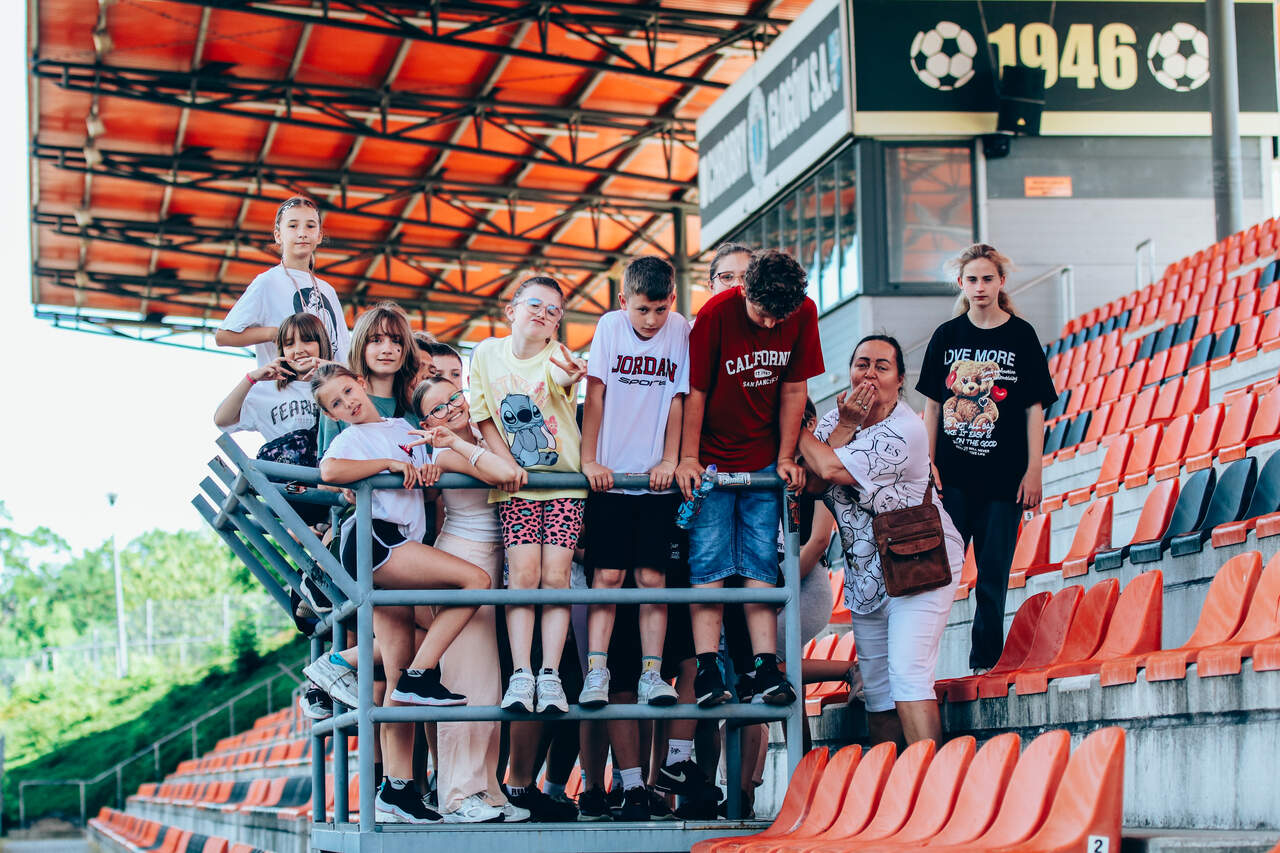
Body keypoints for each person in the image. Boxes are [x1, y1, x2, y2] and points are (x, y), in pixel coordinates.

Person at [304, 363, 491, 824]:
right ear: (332, 415)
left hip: (396, 542)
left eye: (348, 391)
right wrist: (386, 466)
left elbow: (423, 474)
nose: (347, 403)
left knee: (395, 680)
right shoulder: (351, 439)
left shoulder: (402, 428)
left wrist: (423, 475)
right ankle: (414, 674)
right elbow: (330, 469)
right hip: (376, 540)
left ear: (360, 384)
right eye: (336, 403)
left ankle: (397, 790)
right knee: (477, 582)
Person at [674, 249, 824, 709]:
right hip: (713, 458)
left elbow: (795, 389)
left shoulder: (804, 313)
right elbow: (696, 391)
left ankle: (765, 665)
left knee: (760, 561)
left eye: (780, 318)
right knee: (709, 561)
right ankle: (707, 666)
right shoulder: (715, 315)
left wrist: (785, 455)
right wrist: (688, 457)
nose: (770, 324)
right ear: (744, 293)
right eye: (762, 314)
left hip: (762, 457)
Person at [798, 335, 964, 747]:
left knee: (908, 676)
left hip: (919, 564)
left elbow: (829, 468)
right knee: (877, 693)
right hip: (866, 576)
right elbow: (814, 484)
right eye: (862, 364)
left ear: (900, 379)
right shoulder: (834, 423)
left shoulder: (905, 430)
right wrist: (843, 427)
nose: (870, 373)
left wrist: (788, 422)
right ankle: (891, 781)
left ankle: (928, 778)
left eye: (882, 366)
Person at [577, 255, 689, 820]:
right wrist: (589, 459)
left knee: (652, 577)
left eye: (660, 309)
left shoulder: (680, 330)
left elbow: (678, 400)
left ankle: (650, 671)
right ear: (624, 302)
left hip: (654, 479)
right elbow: (595, 394)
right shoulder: (608, 328)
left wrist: (670, 458)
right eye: (642, 310)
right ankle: (598, 667)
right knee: (608, 574)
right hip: (610, 477)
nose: (650, 320)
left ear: (673, 301)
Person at [916, 244, 1058, 673]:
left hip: (1004, 481)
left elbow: (1034, 409)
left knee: (992, 579)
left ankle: (985, 664)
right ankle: (920, 663)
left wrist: (1034, 470)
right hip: (952, 481)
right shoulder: (947, 336)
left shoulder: (1021, 336)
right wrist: (928, 463)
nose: (980, 287)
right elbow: (933, 408)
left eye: (988, 279)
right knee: (939, 576)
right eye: (972, 279)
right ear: (962, 284)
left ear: (1001, 282)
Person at [409, 378, 530, 823]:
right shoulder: (441, 451)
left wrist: (477, 436)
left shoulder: (485, 431)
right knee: (467, 683)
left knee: (491, 687)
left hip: (498, 559)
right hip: (464, 557)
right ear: (427, 423)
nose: (452, 408)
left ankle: (489, 791)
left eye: (455, 397)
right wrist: (461, 444)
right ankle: (458, 795)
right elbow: (505, 474)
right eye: (438, 408)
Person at [213, 312, 330, 527]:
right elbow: (222, 420)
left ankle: (322, 530)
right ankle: (308, 528)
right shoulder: (266, 391)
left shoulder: (338, 384)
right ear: (281, 350)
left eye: (307, 340)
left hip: (336, 485)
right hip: (294, 491)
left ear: (322, 343)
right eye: (289, 343)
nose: (298, 349)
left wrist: (333, 371)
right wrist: (251, 378)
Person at [216, 196, 350, 366]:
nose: (302, 233)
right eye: (293, 226)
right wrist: (275, 333)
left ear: (319, 236)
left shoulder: (327, 290)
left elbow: (344, 351)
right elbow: (223, 336)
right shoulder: (268, 282)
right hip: (283, 383)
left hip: (325, 383)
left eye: (310, 226)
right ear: (278, 236)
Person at [318, 302, 421, 454]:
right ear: (360, 345)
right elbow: (329, 464)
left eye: (396, 340)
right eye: (376, 340)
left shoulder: (417, 408)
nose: (387, 349)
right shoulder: (339, 403)